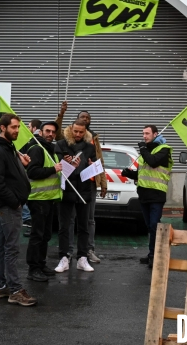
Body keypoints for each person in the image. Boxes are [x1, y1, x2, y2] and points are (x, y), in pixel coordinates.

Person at [0, 113, 36, 306]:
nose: (17, 131)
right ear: (3, 128)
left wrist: (22, 166)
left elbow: (9, 175)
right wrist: (14, 202)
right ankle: (14, 290)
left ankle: (0, 287)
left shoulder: (7, 147)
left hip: (11, 204)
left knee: (1, 245)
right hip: (9, 206)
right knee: (11, 248)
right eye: (13, 127)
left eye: (18, 127)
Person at [121, 125, 173, 268]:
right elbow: (143, 173)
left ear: (155, 134)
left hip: (156, 195)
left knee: (154, 226)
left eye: (147, 133)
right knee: (150, 227)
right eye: (143, 133)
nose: (144, 136)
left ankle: (156, 255)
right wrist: (129, 174)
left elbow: (153, 162)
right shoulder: (146, 152)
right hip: (143, 195)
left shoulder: (164, 149)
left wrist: (143, 149)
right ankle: (152, 254)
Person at [54, 119, 96, 273]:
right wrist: (67, 164)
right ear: (71, 129)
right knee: (64, 226)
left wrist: (93, 167)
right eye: (75, 131)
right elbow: (56, 165)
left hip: (84, 189)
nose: (78, 134)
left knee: (84, 226)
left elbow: (96, 165)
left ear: (85, 131)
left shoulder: (90, 147)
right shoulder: (61, 144)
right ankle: (64, 257)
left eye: (81, 132)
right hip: (67, 188)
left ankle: (82, 258)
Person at [25, 121, 62, 282]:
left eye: (53, 132)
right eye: (47, 131)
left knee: (45, 235)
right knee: (37, 235)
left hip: (49, 199)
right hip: (38, 199)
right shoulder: (37, 149)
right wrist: (54, 169)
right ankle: (33, 268)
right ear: (40, 132)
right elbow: (33, 171)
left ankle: (41, 264)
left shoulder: (49, 150)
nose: (50, 134)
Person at [72, 111, 106, 264]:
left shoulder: (94, 139)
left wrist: (103, 183)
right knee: (71, 218)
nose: (85, 119)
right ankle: (68, 251)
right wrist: (61, 113)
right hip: (72, 183)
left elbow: (100, 162)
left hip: (90, 183)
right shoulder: (71, 136)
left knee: (90, 219)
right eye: (83, 117)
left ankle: (89, 250)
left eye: (88, 118)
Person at [21, 119, 42, 234]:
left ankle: (28, 220)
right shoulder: (38, 141)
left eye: (29, 127)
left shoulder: (32, 142)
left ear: (34, 128)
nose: (28, 129)